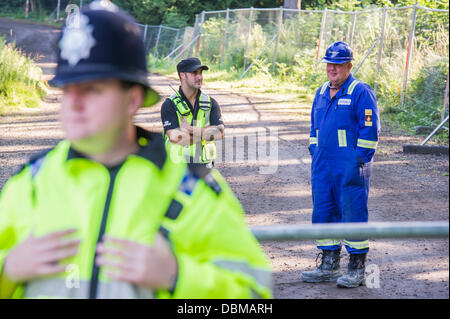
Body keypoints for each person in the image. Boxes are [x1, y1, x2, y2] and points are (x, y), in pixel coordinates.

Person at [0, 4, 272, 299]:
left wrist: (177, 277)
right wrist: (7, 270)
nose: (73, 104)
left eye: (92, 89)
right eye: (67, 89)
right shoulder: (29, 185)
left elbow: (254, 299)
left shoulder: (192, 192)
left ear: (132, 100)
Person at [300, 41, 380, 288]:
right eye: (329, 64)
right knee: (323, 211)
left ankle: (357, 268)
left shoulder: (360, 91)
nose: (332, 69)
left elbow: (370, 129)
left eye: (338, 65)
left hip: (349, 166)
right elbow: (314, 127)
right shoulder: (322, 91)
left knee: (353, 212)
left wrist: (359, 159)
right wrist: (314, 150)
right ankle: (329, 264)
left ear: (349, 66)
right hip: (322, 165)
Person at [160, 57, 224, 168]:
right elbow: (176, 138)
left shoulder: (211, 103)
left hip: (205, 168)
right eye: (194, 73)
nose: (199, 77)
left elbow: (220, 133)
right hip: (177, 168)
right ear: (182, 75)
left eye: (200, 73)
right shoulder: (169, 104)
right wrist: (207, 134)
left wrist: (190, 129)